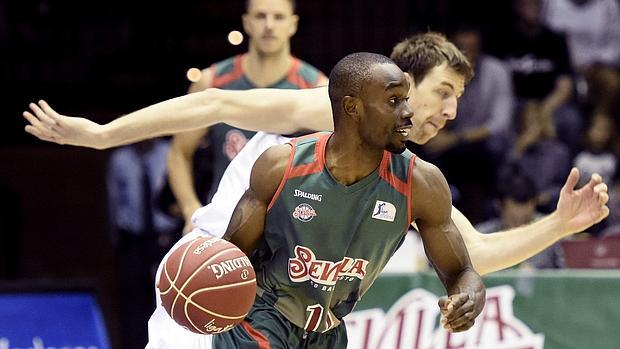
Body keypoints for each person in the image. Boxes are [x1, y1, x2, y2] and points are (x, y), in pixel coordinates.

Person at [23, 32, 610, 348]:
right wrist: (104, 136)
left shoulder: (406, 174)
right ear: (401, 86)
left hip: (288, 316)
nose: (452, 112)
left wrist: (558, 226)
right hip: (211, 283)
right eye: (444, 92)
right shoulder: (328, 111)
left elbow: (471, 255)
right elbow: (216, 102)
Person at [210, 52, 485, 348]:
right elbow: (229, 257)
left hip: (328, 332)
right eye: (394, 101)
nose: (408, 112)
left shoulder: (421, 183)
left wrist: (468, 298)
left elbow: (462, 272)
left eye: (406, 100)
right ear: (352, 107)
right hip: (261, 319)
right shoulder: (282, 167)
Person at [168, 0, 327, 234]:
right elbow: (179, 152)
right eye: (261, 16)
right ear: (247, 23)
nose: (269, 25)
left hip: (287, 229)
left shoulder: (315, 87)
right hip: (222, 222)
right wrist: (190, 208)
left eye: (279, 17)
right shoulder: (212, 82)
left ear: (293, 25)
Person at [476, 171, 564, 269]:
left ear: (534, 204)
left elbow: (562, 275)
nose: (519, 224)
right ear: (500, 206)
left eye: (526, 219)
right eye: (513, 219)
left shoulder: (550, 230)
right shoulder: (482, 236)